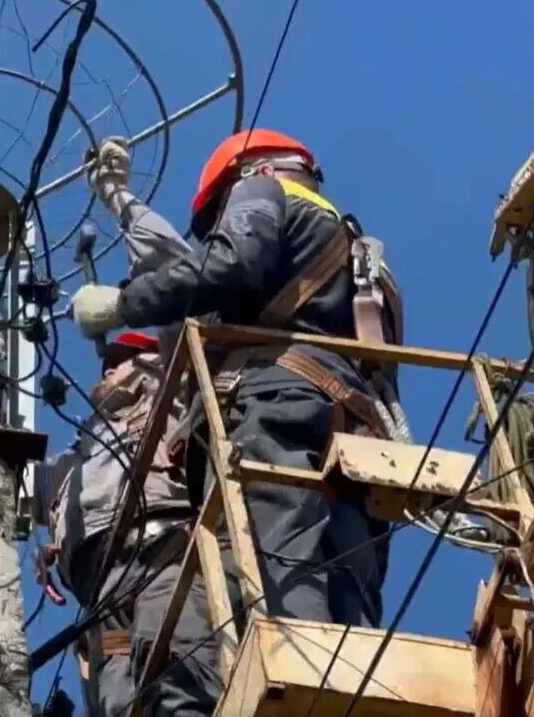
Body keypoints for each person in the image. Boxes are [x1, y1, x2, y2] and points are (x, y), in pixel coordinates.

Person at [70, 128, 403, 627]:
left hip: (279, 402)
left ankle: (301, 683)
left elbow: (223, 265)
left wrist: (123, 304)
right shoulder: (362, 253)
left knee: (282, 573)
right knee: (348, 588)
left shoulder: (261, 189)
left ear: (253, 172)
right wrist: (120, 199)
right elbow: (183, 262)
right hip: (361, 437)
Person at [36, 330, 220, 717]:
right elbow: (16, 479)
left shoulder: (174, 394)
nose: (106, 371)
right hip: (100, 588)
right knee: (118, 699)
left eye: (121, 359)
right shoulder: (80, 449)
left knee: (172, 663)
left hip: (164, 551)